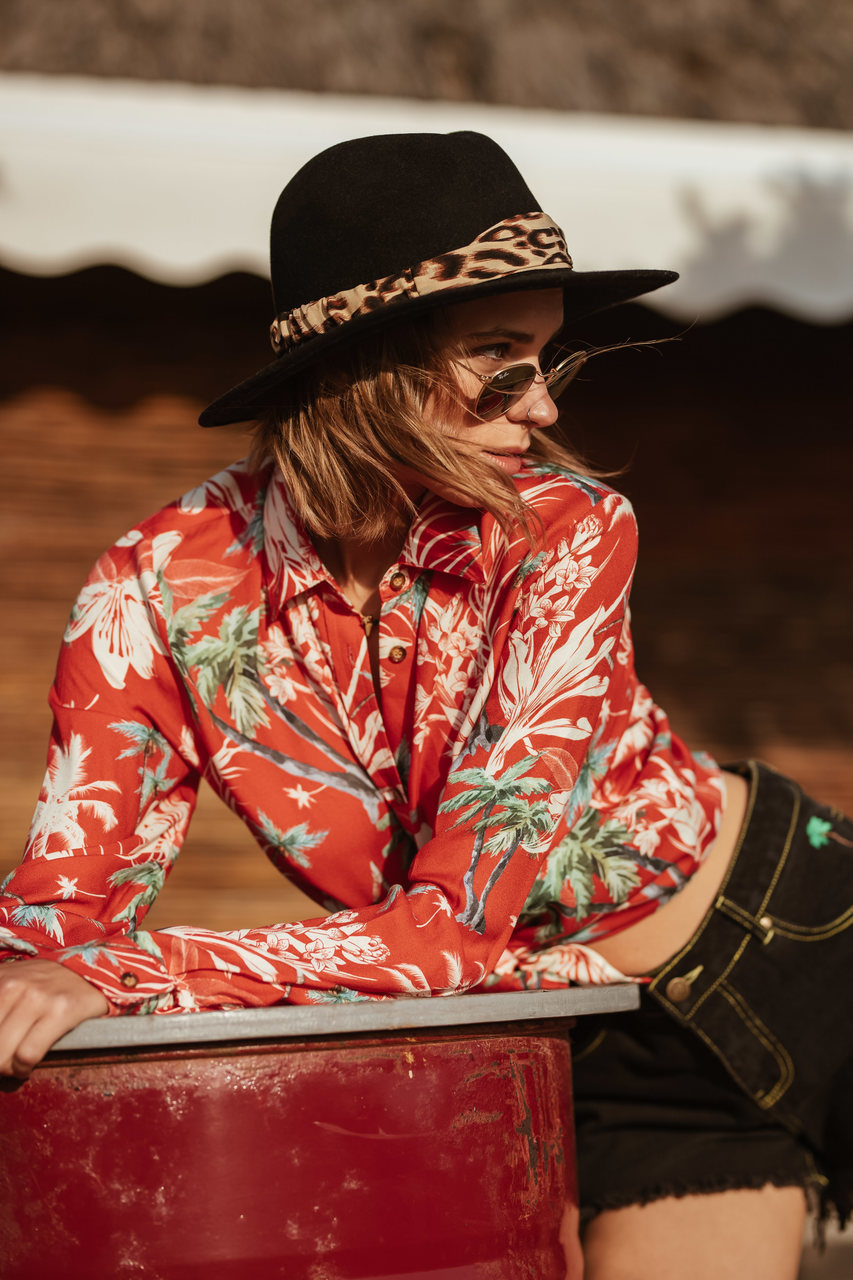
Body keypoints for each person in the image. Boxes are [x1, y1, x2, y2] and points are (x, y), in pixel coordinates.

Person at [0, 130, 850, 1278]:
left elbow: (453, 925)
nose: (539, 403)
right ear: (365, 366)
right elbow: (55, 926)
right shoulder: (152, 590)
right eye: (498, 356)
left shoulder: (563, 531)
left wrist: (125, 973)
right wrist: (46, 976)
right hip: (591, 1036)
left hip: (791, 935)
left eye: (546, 357)